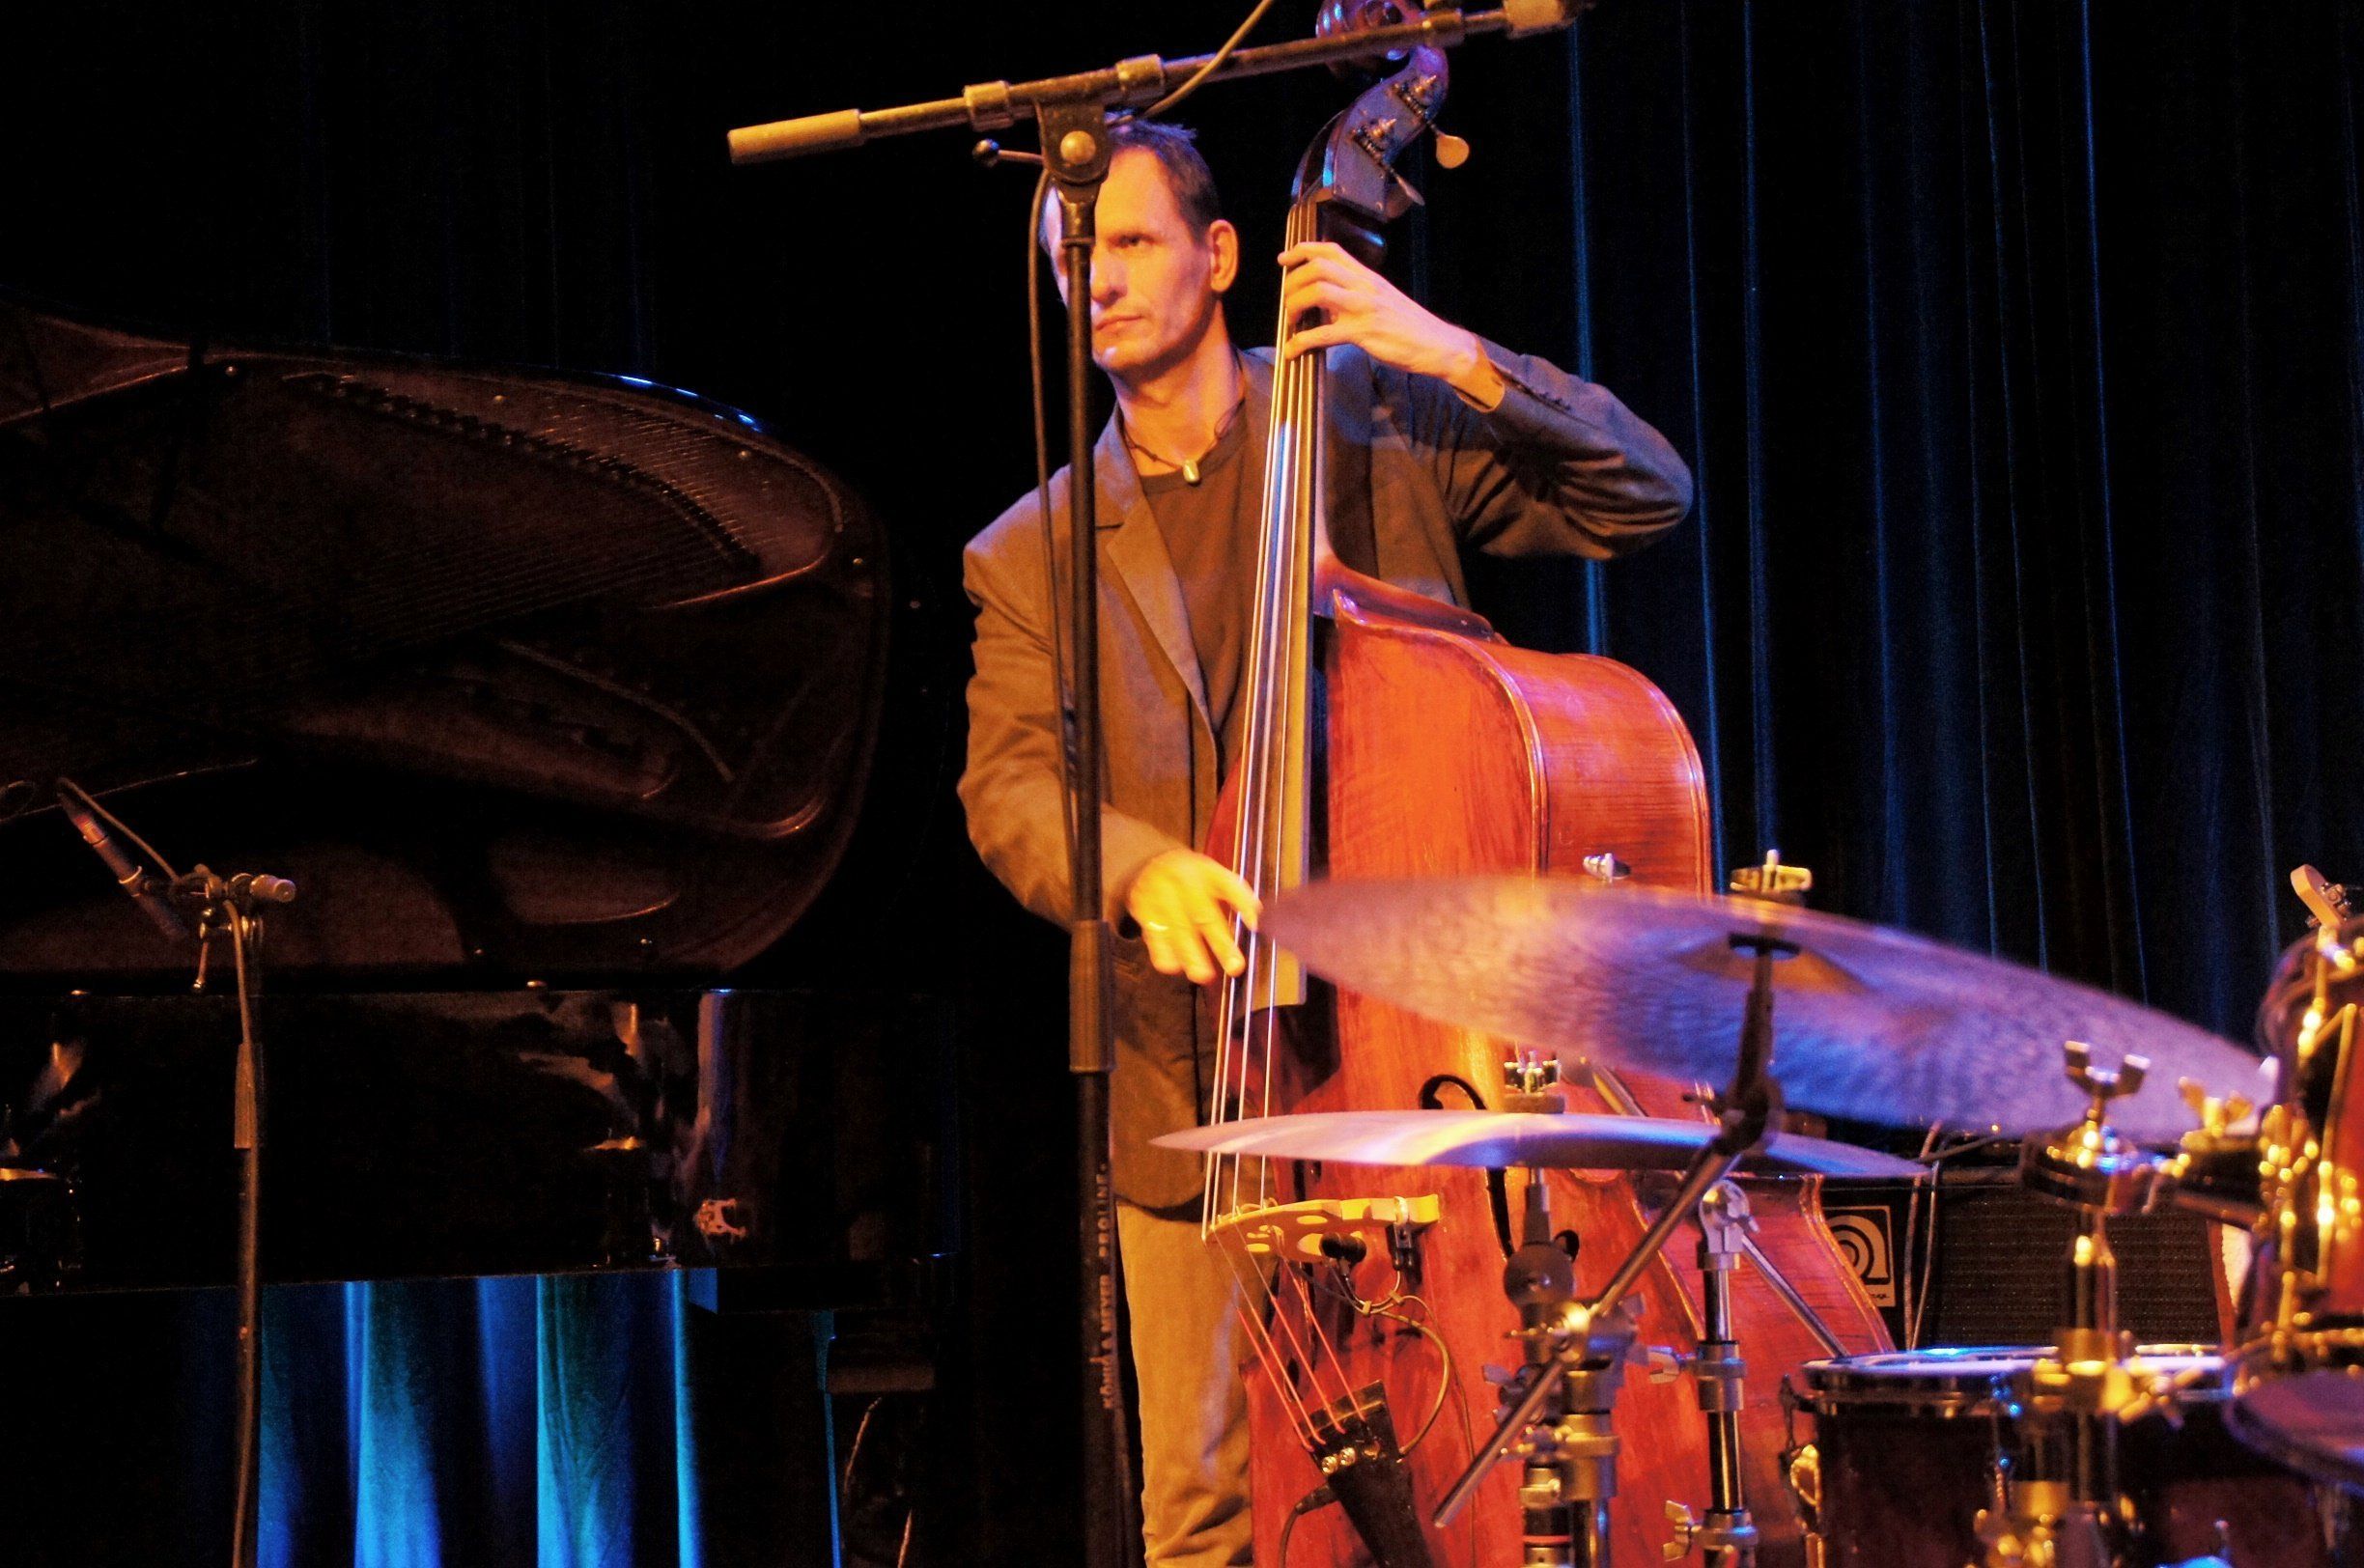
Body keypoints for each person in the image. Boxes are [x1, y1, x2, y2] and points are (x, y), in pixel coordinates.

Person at [959, 118, 1693, 1568]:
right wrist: (1140, 869)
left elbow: (1646, 495)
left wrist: (1455, 355)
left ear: (1222, 254)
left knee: (1476, 1469)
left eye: (1130, 241)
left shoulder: (1374, 424)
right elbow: (1011, 791)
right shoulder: (1026, 549)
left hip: (1417, 1057)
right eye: (1072, 258)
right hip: (1198, 1088)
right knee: (1204, 1517)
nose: (1099, 281)